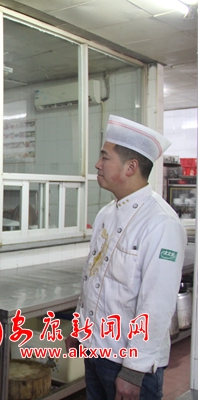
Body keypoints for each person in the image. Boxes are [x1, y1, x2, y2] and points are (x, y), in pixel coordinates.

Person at [65, 115, 186, 400]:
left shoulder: (161, 223)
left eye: (105, 157)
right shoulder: (107, 213)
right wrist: (81, 329)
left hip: (128, 362)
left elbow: (157, 304)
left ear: (131, 167)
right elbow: (94, 277)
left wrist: (133, 371)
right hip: (96, 350)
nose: (98, 164)